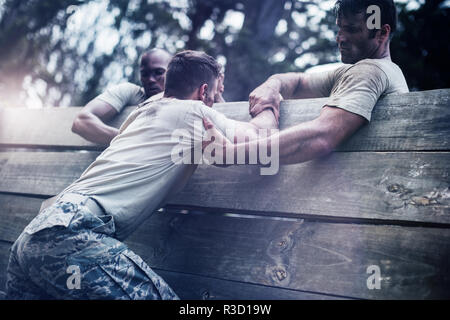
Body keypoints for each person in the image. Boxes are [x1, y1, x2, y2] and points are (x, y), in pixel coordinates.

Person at [5, 50, 278, 300]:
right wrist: (269, 102)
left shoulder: (143, 111)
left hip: (32, 238)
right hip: (70, 239)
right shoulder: (195, 112)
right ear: (204, 91)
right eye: (214, 95)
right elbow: (260, 135)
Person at [203, 0, 409, 166]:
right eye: (340, 29)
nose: (341, 38)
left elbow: (321, 136)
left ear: (382, 33)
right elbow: (299, 82)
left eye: (352, 30)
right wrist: (272, 85)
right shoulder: (358, 72)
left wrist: (231, 153)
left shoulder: (370, 71)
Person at [72, 49, 226, 145]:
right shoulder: (131, 91)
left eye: (159, 72)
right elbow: (81, 122)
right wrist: (130, 140)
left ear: (173, 72)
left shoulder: (190, 101)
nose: (150, 79)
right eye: (145, 74)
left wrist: (216, 93)